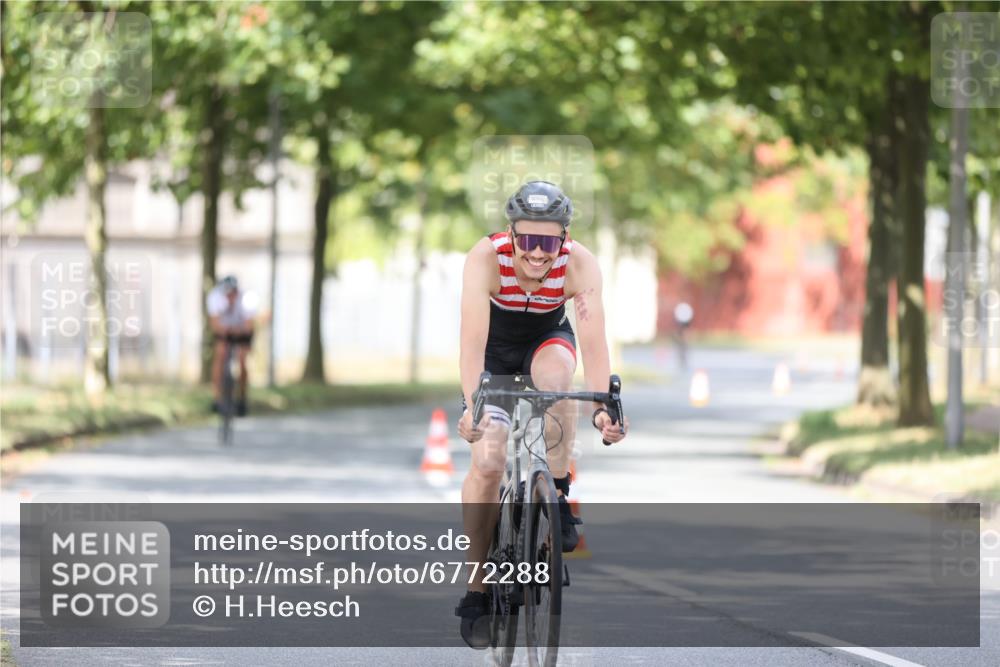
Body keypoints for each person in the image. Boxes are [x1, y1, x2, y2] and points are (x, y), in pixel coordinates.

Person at [454, 181, 629, 648]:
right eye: (527, 240)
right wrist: (472, 406)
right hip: (494, 347)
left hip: (547, 337)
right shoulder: (485, 258)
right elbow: (471, 342)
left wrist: (602, 411)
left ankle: (558, 493)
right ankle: (476, 587)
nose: (536, 253)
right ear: (510, 235)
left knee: (559, 384)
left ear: (564, 238)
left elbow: (593, 343)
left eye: (548, 242)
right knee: (488, 460)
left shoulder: (580, 264)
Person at [206, 275, 255, 416]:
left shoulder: (245, 300)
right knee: (220, 355)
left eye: (233, 293)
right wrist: (226, 331)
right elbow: (215, 324)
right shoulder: (215, 298)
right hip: (224, 332)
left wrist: (240, 331)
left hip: (242, 333)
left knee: (242, 359)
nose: (230, 296)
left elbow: (249, 325)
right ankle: (217, 398)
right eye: (227, 294)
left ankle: (242, 398)